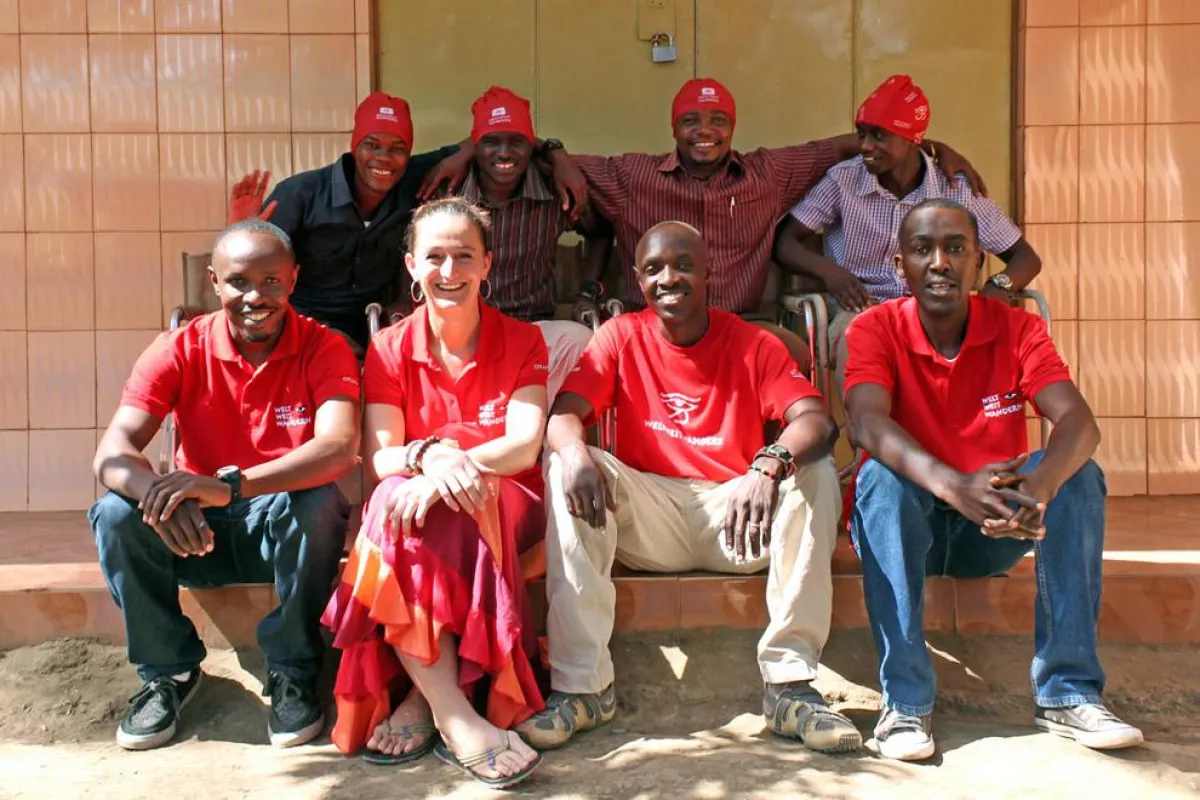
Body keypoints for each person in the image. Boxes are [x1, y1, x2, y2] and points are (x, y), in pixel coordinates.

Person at [519, 221, 859, 755]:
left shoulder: (753, 343)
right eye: (653, 269)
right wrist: (574, 451)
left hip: (737, 515)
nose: (668, 278)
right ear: (637, 279)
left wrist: (768, 465)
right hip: (651, 514)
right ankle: (583, 691)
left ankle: (791, 688)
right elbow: (565, 414)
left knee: (811, 471)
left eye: (682, 265)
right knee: (568, 466)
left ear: (709, 272)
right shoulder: (620, 335)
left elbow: (817, 421)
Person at [843, 198, 1143, 762]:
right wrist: (956, 486)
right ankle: (905, 702)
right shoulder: (874, 329)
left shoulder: (1017, 329)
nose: (940, 263)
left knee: (1080, 475)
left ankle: (1068, 691)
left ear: (979, 262)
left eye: (956, 249)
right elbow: (865, 423)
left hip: (995, 531)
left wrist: (1040, 487)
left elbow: (1078, 421)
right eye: (922, 250)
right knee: (881, 479)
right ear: (899, 263)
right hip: (913, 522)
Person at [89, 220, 361, 751]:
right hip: (192, 535)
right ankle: (167, 673)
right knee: (116, 514)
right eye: (239, 281)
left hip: (276, 530)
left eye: (271, 281)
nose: (255, 296)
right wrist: (157, 496)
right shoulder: (178, 348)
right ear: (215, 282)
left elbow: (338, 447)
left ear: (293, 280)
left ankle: (293, 670)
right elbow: (112, 452)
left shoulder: (323, 346)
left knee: (322, 500)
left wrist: (231, 487)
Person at [321, 197, 546, 790]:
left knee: (427, 505)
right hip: (424, 501)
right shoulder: (391, 346)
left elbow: (524, 447)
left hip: (506, 499)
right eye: (436, 258)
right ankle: (450, 711)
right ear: (412, 267)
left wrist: (452, 465)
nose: (450, 272)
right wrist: (431, 458)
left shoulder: (524, 340)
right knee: (396, 501)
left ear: (487, 264)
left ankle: (429, 706)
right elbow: (383, 456)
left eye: (464, 257)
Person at [549, 77, 987, 371]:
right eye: (691, 121)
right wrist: (553, 152)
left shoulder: (768, 174)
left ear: (732, 127)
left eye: (718, 120)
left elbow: (839, 148)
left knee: (792, 355)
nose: (706, 131)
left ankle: (776, 473)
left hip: (736, 325)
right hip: (657, 327)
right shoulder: (632, 176)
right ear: (674, 129)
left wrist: (929, 144)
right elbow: (534, 159)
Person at [227, 92, 587, 354]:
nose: (384, 159)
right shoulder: (302, 194)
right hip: (304, 329)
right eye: (372, 145)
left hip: (376, 329)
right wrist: (240, 231)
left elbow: (488, 136)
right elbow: (254, 266)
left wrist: (556, 153)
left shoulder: (417, 179)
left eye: (397, 148)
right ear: (355, 146)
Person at [776, 74, 1043, 397]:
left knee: (979, 342)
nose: (864, 147)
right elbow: (785, 241)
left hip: (938, 309)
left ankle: (963, 442)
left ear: (912, 139)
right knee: (858, 337)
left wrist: (996, 289)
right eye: (861, 134)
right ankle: (871, 440)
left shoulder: (953, 187)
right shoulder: (844, 180)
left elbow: (1026, 258)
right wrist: (830, 272)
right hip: (861, 310)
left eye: (879, 136)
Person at [450, 85, 607, 398]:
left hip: (531, 328)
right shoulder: (450, 191)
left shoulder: (554, 190)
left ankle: (545, 438)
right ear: (475, 147)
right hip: (465, 331)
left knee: (580, 338)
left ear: (531, 146)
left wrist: (589, 291)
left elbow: (600, 231)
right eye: (492, 142)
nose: (505, 153)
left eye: (517, 142)